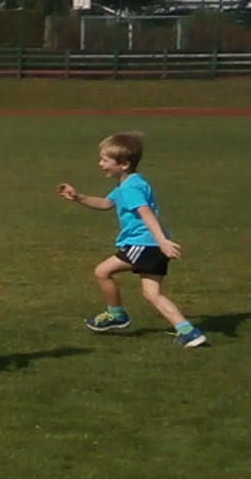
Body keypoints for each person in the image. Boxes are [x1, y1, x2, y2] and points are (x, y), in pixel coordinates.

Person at [59, 131, 206, 347]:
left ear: (124, 164)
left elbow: (146, 212)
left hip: (143, 244)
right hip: (154, 246)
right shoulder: (132, 182)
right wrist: (78, 197)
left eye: (105, 160)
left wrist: (161, 241)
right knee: (152, 293)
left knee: (102, 271)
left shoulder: (130, 188)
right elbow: (106, 203)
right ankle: (189, 332)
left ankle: (116, 314)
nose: (100, 164)